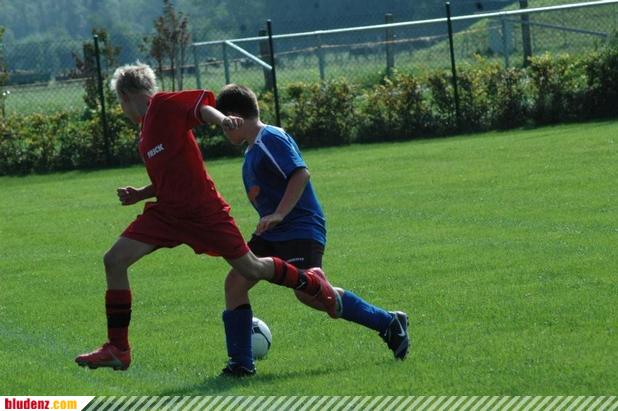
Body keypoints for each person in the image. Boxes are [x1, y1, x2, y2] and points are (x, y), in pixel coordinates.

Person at [74, 63, 341, 377]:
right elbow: (169, 177)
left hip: (203, 211)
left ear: (126, 96)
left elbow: (202, 107)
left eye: (121, 103)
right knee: (114, 260)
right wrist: (140, 194)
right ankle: (118, 348)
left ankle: (312, 284)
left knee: (251, 268)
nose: (122, 110)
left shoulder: (162, 104)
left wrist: (222, 119)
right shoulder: (145, 132)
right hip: (167, 213)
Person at [215, 84, 409, 365]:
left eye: (224, 124)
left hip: (299, 228)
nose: (223, 131)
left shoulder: (270, 138)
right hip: (274, 233)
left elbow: (300, 174)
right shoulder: (252, 149)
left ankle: (388, 322)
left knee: (310, 294)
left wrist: (279, 214)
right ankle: (241, 364)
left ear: (235, 118)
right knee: (236, 281)